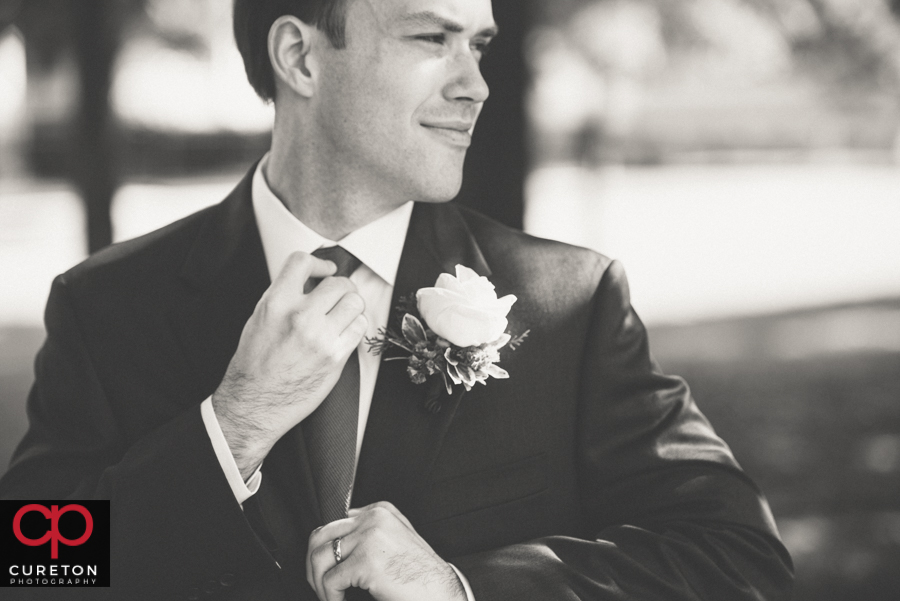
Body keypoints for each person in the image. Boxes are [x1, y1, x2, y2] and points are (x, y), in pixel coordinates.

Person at [0, 0, 794, 599]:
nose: (476, 84)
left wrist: (461, 588)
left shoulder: (570, 305)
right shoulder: (108, 307)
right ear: (300, 58)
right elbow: (33, 563)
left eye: (478, 44)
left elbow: (740, 557)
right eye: (430, 38)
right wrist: (232, 425)